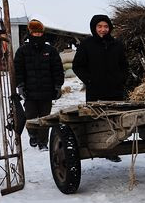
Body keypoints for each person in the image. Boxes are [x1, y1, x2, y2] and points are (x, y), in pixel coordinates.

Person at [72, 14, 129, 162]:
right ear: (94, 28)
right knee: (97, 119)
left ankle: (113, 150)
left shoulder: (117, 45)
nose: (103, 29)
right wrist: (89, 80)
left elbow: (124, 66)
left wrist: (121, 79)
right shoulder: (87, 44)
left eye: (105, 26)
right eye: (99, 26)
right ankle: (98, 147)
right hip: (95, 90)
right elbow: (77, 66)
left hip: (115, 90)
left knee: (116, 119)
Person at [13, 18, 65, 151]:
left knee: (45, 118)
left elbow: (58, 69)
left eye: (39, 33)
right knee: (30, 116)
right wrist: (20, 85)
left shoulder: (50, 51)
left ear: (43, 33)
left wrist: (58, 86)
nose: (37, 35)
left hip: (47, 91)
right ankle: (33, 135)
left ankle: (43, 142)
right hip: (29, 92)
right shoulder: (22, 51)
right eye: (34, 33)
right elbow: (18, 70)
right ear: (30, 33)